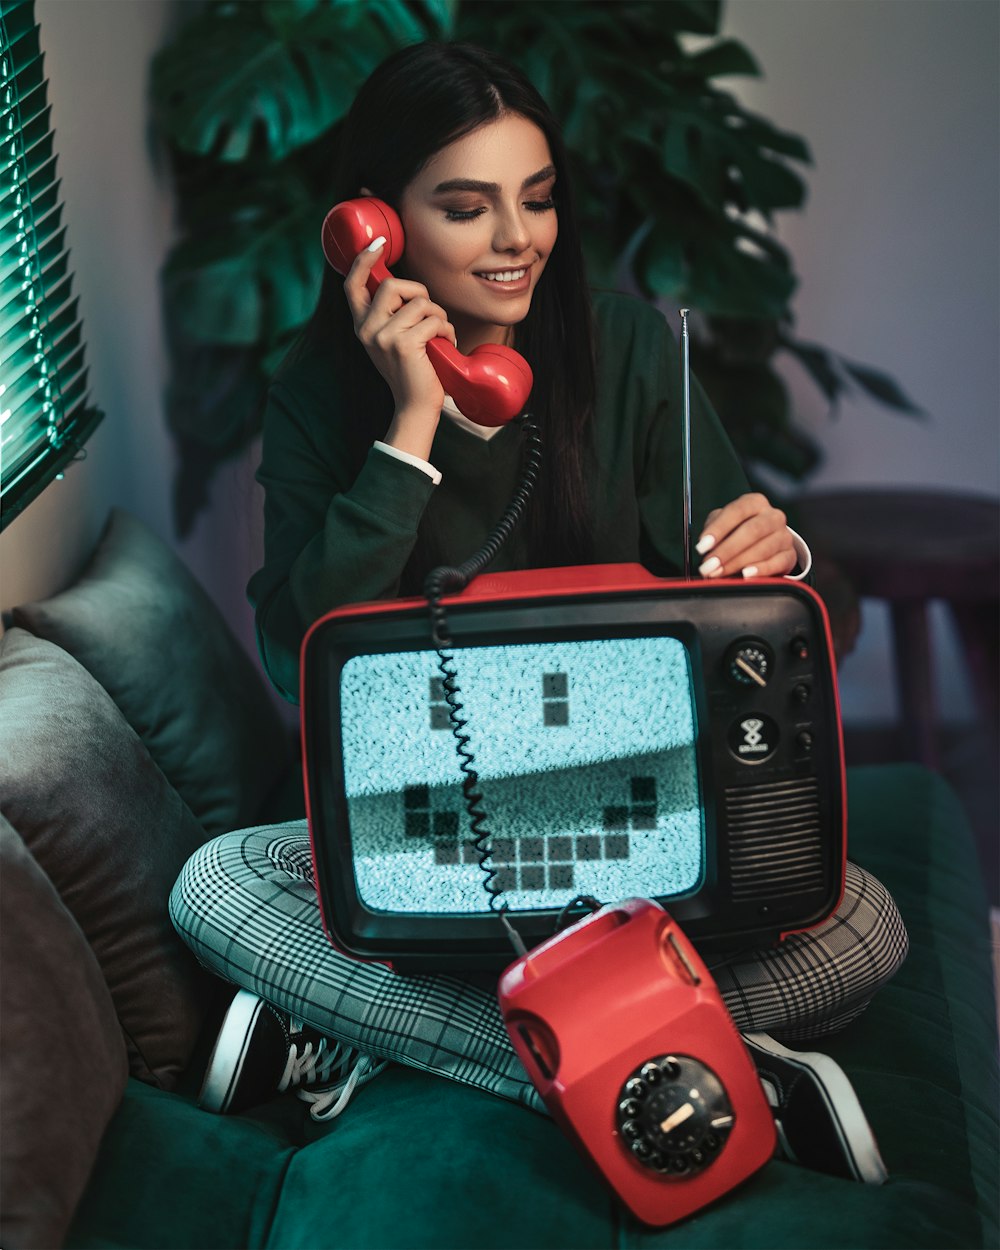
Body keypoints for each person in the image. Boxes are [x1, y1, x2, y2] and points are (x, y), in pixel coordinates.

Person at [170, 41, 907, 1182]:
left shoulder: (630, 353)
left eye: (538, 198)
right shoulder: (319, 400)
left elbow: (772, 616)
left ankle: (382, 1028)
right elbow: (296, 649)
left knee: (861, 921)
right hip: (428, 829)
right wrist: (412, 422)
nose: (517, 241)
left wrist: (780, 553)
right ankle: (698, 1073)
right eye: (466, 207)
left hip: (633, 815)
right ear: (373, 224)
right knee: (214, 884)